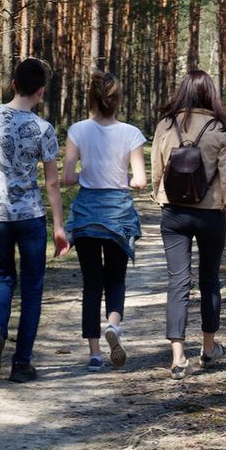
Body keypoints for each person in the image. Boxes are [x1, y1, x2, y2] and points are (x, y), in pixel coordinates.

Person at [0, 58, 69, 383]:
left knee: (2, 279)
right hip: (30, 217)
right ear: (41, 92)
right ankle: (21, 365)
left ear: (14, 84)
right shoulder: (43, 129)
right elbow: (51, 182)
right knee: (32, 289)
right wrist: (59, 226)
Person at [151, 70, 226, 380]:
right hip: (210, 214)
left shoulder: (165, 124)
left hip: (173, 213)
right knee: (209, 280)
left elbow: (157, 168)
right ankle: (208, 348)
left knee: (177, 282)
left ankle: (178, 357)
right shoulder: (221, 128)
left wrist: (159, 195)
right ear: (210, 94)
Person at [61, 71, 147, 373]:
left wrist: (88, 175)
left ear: (91, 98)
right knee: (116, 280)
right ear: (117, 100)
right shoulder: (131, 133)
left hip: (86, 214)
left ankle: (95, 354)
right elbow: (140, 182)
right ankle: (113, 326)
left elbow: (67, 178)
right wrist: (120, 178)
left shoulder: (77, 130)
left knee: (91, 285)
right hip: (118, 215)